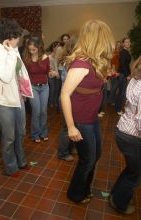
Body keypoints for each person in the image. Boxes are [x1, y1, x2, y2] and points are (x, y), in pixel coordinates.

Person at [61, 20, 115, 203]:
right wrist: (70, 127)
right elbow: (65, 95)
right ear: (98, 39)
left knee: (95, 155)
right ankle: (76, 193)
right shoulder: (81, 64)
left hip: (91, 118)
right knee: (88, 159)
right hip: (81, 121)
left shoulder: (93, 60)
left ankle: (84, 188)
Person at [0, 18, 33, 177]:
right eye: (17, 36)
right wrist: (11, 52)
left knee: (21, 132)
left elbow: (19, 72)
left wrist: (24, 91)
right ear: (9, 37)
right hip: (3, 102)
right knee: (9, 137)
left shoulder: (12, 49)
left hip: (17, 98)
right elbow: (5, 75)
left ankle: (21, 160)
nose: (20, 39)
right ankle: (11, 167)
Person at [109, 61, 141, 215]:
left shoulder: (135, 78)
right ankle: (120, 203)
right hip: (132, 136)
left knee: (131, 169)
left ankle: (115, 195)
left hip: (123, 130)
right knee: (135, 174)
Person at [23, 36, 50, 143]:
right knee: (36, 112)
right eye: (30, 50)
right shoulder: (26, 58)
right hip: (32, 87)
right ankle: (35, 135)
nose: (32, 52)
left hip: (44, 87)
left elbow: (48, 71)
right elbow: (24, 75)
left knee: (43, 112)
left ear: (38, 47)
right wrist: (24, 92)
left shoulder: (45, 57)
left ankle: (43, 133)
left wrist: (52, 73)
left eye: (34, 49)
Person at [114, 37, 131, 116]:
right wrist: (127, 75)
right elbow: (123, 65)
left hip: (123, 74)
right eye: (126, 42)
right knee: (121, 93)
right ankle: (117, 109)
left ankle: (117, 107)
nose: (128, 43)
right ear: (123, 44)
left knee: (121, 92)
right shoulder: (123, 52)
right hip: (122, 75)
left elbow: (126, 65)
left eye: (129, 42)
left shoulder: (125, 51)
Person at [46, 41, 60, 107]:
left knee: (57, 89)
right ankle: (50, 102)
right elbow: (48, 67)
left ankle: (55, 102)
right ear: (53, 48)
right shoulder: (49, 57)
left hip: (57, 74)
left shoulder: (59, 56)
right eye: (56, 47)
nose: (58, 48)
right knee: (52, 89)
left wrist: (57, 73)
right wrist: (54, 73)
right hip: (51, 75)